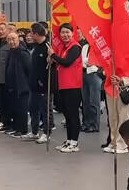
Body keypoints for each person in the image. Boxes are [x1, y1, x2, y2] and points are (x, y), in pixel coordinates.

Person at [52, 22, 82, 152]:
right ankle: (69, 140)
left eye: (67, 32)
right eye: (62, 32)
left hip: (72, 85)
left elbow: (67, 62)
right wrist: (53, 59)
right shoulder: (63, 47)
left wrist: (53, 55)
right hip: (63, 85)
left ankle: (74, 142)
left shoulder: (75, 47)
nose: (65, 35)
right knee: (67, 115)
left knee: (73, 114)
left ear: (72, 33)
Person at [3, 28, 32, 137]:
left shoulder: (23, 53)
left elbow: (29, 69)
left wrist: (26, 84)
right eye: (9, 39)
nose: (11, 42)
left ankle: (22, 129)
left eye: (13, 39)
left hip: (22, 86)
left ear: (18, 39)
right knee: (14, 107)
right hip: (12, 85)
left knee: (22, 109)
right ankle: (16, 127)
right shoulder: (11, 52)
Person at [28, 22, 53, 142]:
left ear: (36, 34)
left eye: (31, 33)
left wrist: (43, 81)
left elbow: (50, 67)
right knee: (33, 108)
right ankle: (34, 131)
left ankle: (47, 133)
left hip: (44, 84)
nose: (30, 35)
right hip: (33, 84)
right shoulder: (35, 46)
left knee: (45, 109)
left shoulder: (48, 47)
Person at [80, 34, 102, 133]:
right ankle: (86, 123)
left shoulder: (98, 46)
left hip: (94, 73)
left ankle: (94, 124)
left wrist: (89, 62)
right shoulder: (85, 46)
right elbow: (83, 60)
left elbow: (97, 61)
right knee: (85, 101)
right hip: (83, 73)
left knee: (94, 101)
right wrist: (87, 62)